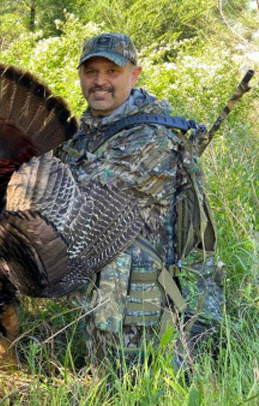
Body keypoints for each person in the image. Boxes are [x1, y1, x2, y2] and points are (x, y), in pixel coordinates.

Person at [55, 33, 224, 370]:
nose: (100, 82)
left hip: (140, 304)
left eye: (112, 72)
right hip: (101, 294)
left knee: (133, 388)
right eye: (91, 72)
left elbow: (84, 197)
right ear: (80, 75)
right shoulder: (85, 131)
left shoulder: (153, 136)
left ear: (134, 74)